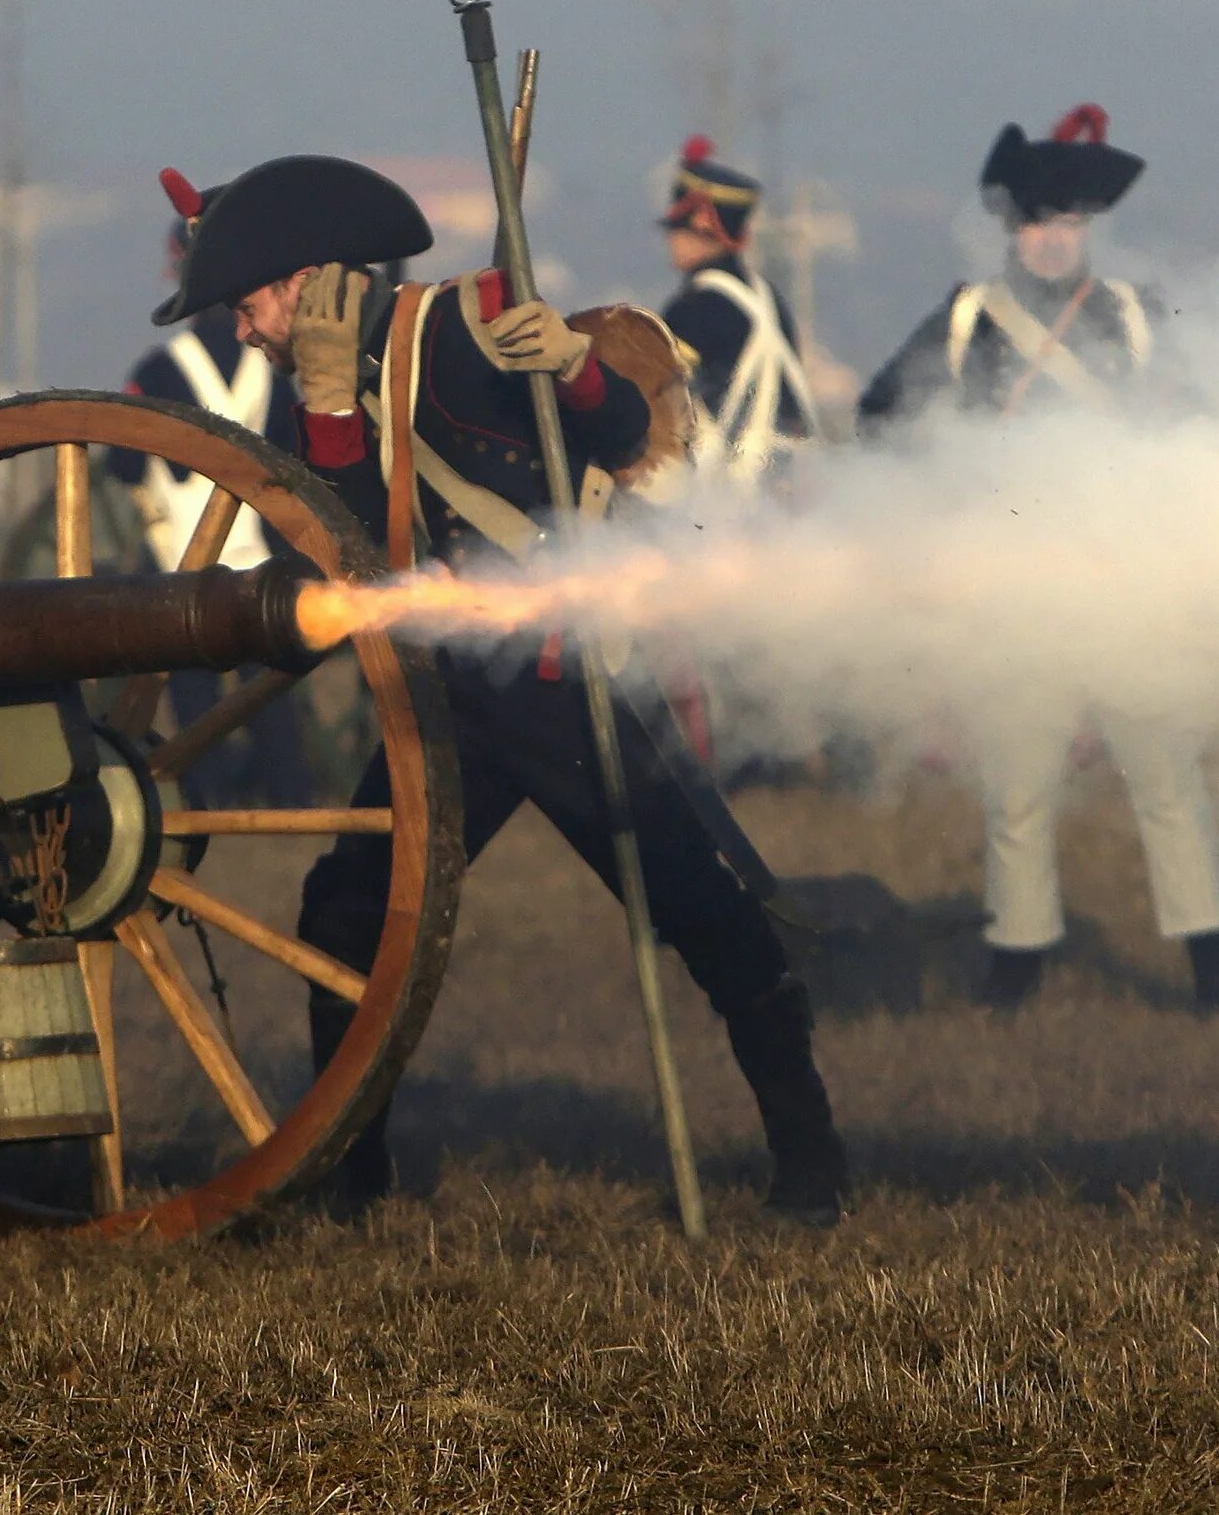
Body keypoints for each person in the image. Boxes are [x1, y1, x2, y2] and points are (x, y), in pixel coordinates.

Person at [164, 155, 848, 1224]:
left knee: (700, 911)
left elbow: (621, 434)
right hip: (448, 692)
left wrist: (575, 368)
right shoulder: (324, 387)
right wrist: (332, 408)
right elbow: (355, 559)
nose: (243, 331)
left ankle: (812, 1164)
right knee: (344, 911)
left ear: (298, 282)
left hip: (553, 678)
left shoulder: (467, 322)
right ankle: (354, 1180)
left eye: (248, 305)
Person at [859, 106, 1219, 1013]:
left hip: (1122, 588)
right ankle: (1017, 959)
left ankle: (1216, 969)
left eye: (1068, 223)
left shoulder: (1132, 318)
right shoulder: (965, 321)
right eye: (1037, 223)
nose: (1051, 239)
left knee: (1166, 784)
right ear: (1013, 228)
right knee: (1020, 790)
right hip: (1019, 592)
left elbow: (1196, 424)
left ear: (1086, 229)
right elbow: (882, 415)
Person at [103, 167, 316, 807]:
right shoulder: (274, 369)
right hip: (262, 559)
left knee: (195, 694)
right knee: (267, 687)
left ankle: (207, 795)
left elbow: (123, 468)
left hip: (180, 558)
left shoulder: (156, 370)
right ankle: (288, 790)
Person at [655, 137, 819, 491]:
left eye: (679, 229)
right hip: (792, 481)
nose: (672, 239)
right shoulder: (766, 297)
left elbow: (661, 403)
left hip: (733, 491)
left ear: (702, 226)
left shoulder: (695, 308)